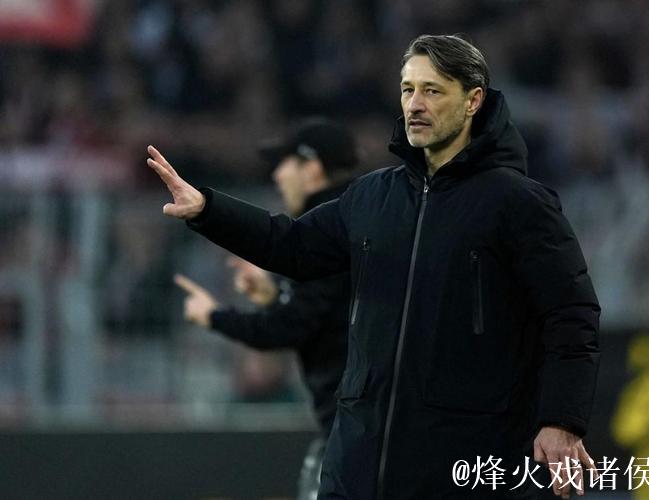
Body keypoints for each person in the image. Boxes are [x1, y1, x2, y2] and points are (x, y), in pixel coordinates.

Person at [147, 35, 601, 499]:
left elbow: (571, 315)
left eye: (432, 90)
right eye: (408, 89)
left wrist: (561, 421)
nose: (415, 104)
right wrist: (207, 208)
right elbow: (291, 245)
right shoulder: (372, 196)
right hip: (358, 463)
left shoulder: (519, 203)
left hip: (464, 465)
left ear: (473, 101)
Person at [173, 118, 356, 500]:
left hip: (360, 427)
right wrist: (274, 296)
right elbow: (320, 317)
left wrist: (213, 316)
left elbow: (287, 328)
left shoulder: (332, 232)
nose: (277, 175)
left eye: (284, 163)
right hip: (359, 421)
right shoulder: (351, 222)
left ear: (312, 168)